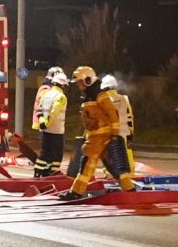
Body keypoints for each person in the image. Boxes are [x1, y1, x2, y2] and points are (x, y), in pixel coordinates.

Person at [65, 68, 136, 198]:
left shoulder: (100, 95)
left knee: (87, 163)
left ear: (88, 80)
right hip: (96, 135)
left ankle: (76, 192)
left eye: (80, 82)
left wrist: (115, 134)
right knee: (113, 165)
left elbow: (112, 113)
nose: (78, 85)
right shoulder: (89, 95)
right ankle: (130, 189)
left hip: (100, 136)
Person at [32, 67, 70, 172]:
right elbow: (54, 112)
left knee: (45, 153)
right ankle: (54, 173)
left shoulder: (46, 94)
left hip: (45, 130)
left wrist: (43, 123)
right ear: (62, 85)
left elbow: (39, 110)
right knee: (57, 154)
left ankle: (39, 171)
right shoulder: (61, 96)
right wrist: (47, 123)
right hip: (57, 131)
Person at [100, 73, 136, 181]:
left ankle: (110, 177)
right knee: (124, 155)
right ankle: (127, 176)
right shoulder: (124, 98)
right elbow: (129, 117)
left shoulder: (102, 100)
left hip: (107, 133)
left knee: (109, 156)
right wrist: (131, 133)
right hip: (122, 132)